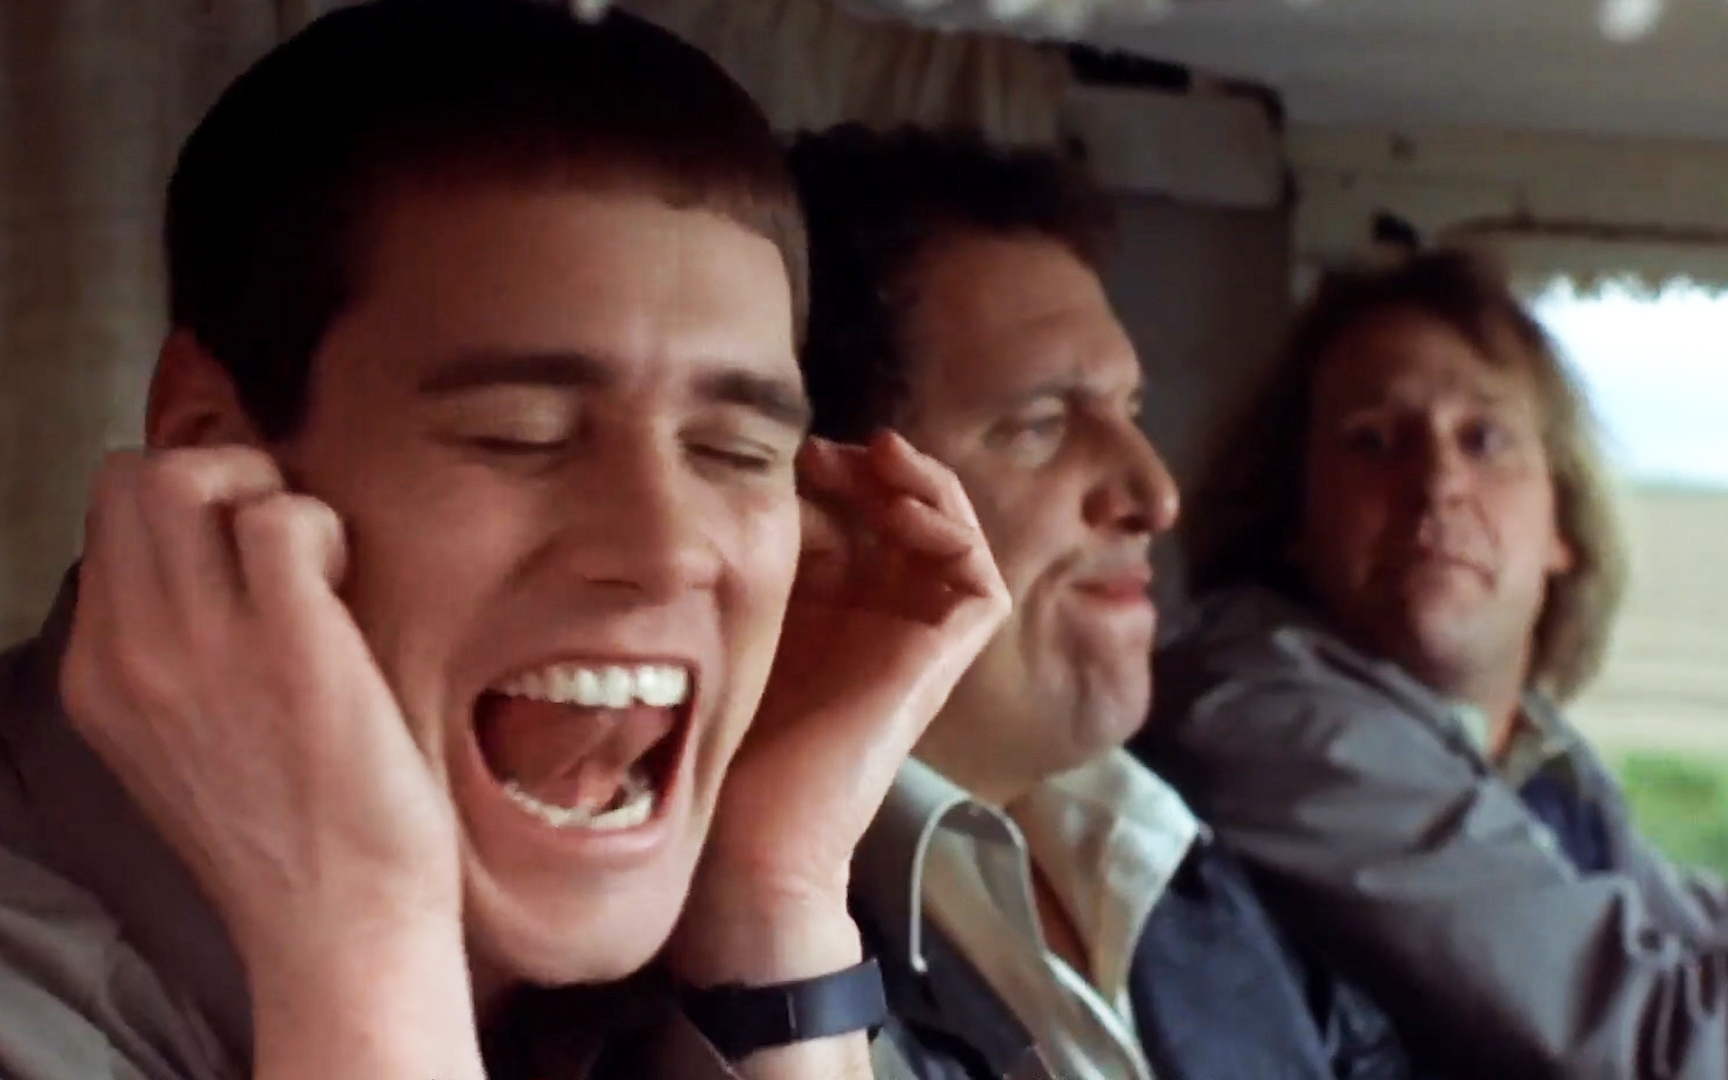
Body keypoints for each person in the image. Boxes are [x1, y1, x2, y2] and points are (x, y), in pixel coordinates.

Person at [0, 5, 1012, 1080]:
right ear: (213, 446)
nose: (667, 550)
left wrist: (775, 902)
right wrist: (369, 940)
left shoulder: (691, 943)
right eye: (520, 436)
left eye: (734, 452)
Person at [790, 123, 1421, 1080]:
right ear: (830, 500)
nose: (1155, 494)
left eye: (1129, 412)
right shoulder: (748, 957)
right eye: (1042, 425)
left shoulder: (1165, 844)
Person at [1147, 248, 1728, 1078]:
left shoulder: (1533, 749)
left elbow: (1675, 920)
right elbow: (1661, 1041)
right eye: (1373, 440)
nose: (1436, 481)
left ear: (1561, 526)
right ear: (1294, 517)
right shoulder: (1257, 714)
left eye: (1484, 439)